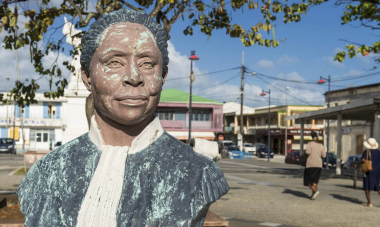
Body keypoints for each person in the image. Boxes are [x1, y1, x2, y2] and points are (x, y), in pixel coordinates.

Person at [18, 9, 229, 227]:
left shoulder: (199, 173)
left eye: (147, 63)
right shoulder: (46, 174)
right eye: (115, 62)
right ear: (87, 76)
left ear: (163, 76)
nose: (134, 77)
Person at [362, 138, 380, 207]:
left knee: (367, 186)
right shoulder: (379, 152)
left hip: (368, 170)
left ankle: (369, 203)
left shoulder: (366, 151)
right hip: (377, 170)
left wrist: (362, 160)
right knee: (376, 184)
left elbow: (363, 160)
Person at [304, 131, 326, 200]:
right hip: (319, 164)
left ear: (312, 137)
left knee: (307, 180)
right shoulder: (321, 145)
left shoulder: (309, 144)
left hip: (310, 164)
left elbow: (307, 153)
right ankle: (313, 195)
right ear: (317, 137)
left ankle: (315, 191)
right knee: (315, 180)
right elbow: (324, 155)